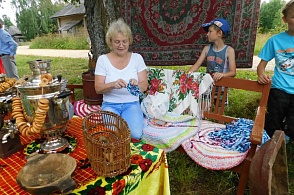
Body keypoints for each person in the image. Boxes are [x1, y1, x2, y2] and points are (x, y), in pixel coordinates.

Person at [94, 18, 148, 139]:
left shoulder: (137, 58)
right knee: (114, 135)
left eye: (124, 41)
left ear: (129, 41)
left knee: (135, 135)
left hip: (132, 104)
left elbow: (144, 86)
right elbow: (98, 88)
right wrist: (112, 84)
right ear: (110, 42)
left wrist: (136, 85)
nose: (121, 45)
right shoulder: (103, 60)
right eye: (117, 42)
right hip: (110, 105)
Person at [257, 0, 294, 141]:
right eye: (293, 16)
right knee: (272, 124)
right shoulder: (275, 40)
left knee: (292, 129)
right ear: (285, 19)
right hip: (279, 89)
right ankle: (271, 144)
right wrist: (261, 75)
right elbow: (261, 65)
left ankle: (286, 136)